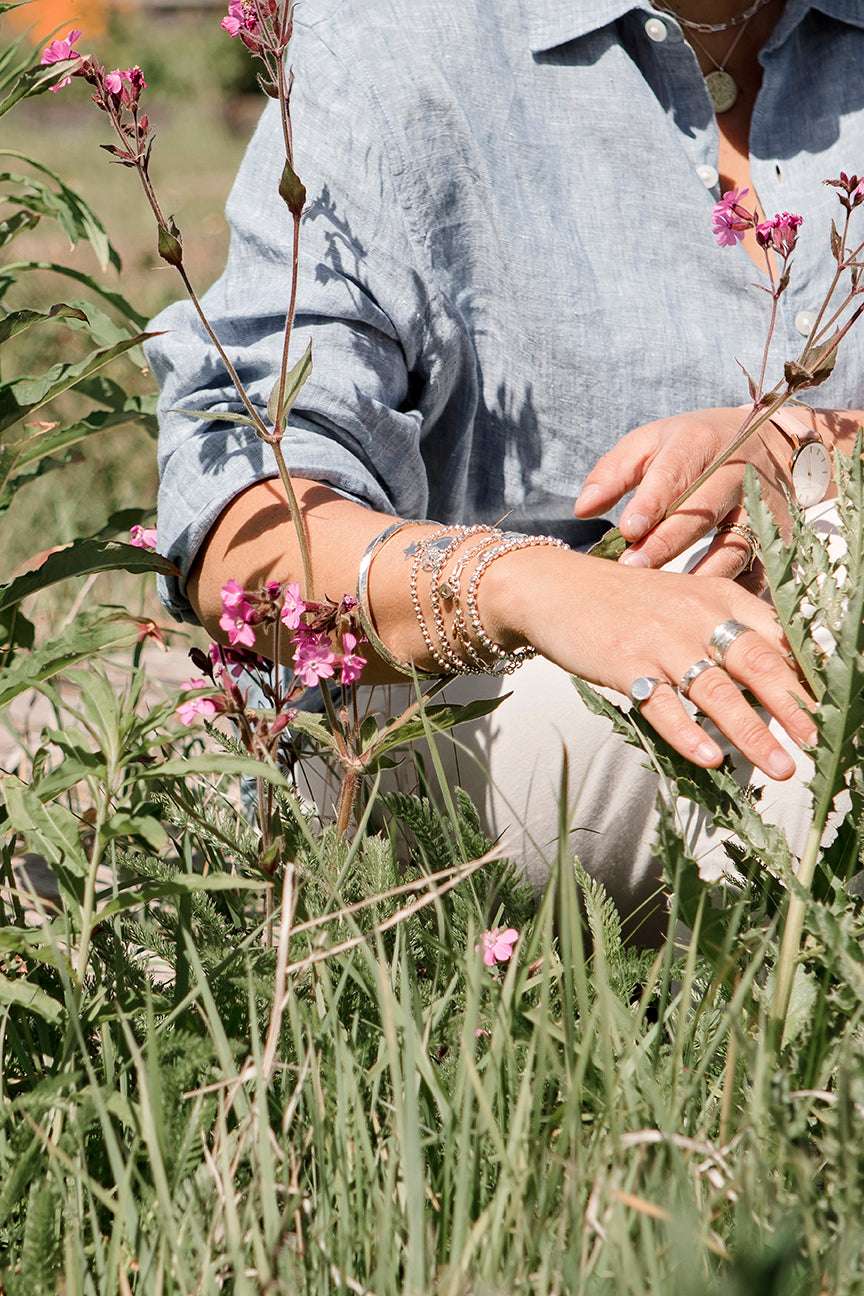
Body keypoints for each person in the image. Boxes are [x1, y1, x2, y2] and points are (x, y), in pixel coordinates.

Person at [147, 0, 864, 935]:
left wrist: (817, 450)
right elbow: (240, 531)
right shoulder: (397, 39)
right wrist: (533, 588)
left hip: (813, 607)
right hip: (453, 701)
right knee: (829, 750)